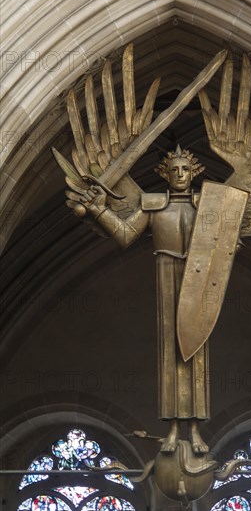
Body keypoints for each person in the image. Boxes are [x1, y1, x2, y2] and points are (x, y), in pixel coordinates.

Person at [78, 146, 209, 454]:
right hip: (166, 272)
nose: (179, 175)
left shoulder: (207, 204)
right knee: (170, 354)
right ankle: (175, 429)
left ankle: (195, 429)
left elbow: (227, 242)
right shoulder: (153, 205)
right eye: (173, 169)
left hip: (199, 276)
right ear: (164, 173)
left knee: (196, 356)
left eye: (185, 170)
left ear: (195, 173)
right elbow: (125, 234)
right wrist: (98, 209)